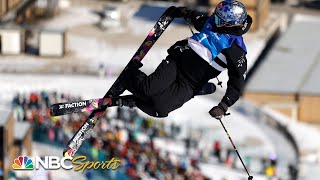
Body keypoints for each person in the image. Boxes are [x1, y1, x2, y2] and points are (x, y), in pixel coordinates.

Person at [116, 0, 252, 118]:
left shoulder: (236, 50)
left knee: (160, 109)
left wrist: (223, 106)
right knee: (148, 89)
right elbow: (197, 18)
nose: (213, 20)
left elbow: (237, 81)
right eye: (215, 15)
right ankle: (128, 76)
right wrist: (184, 12)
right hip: (178, 62)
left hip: (190, 83)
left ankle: (138, 100)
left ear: (230, 24)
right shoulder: (212, 23)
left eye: (218, 19)